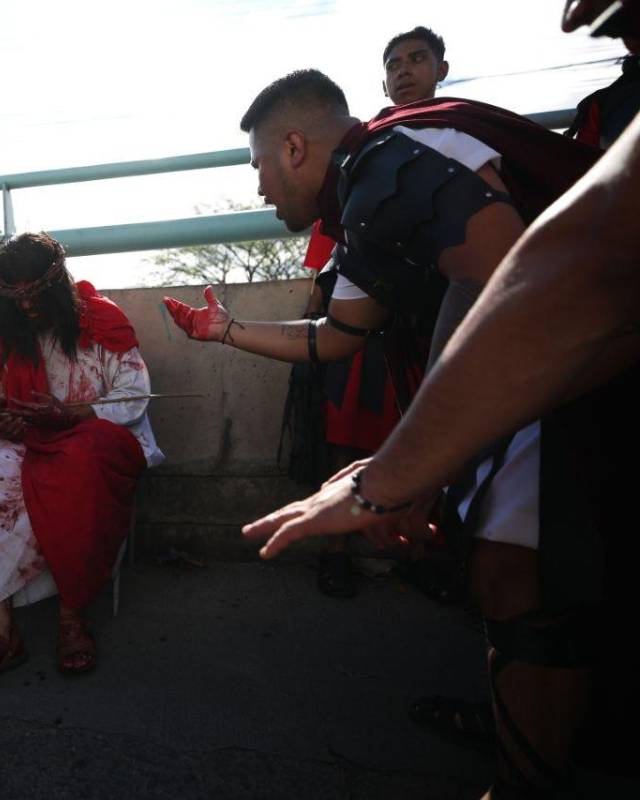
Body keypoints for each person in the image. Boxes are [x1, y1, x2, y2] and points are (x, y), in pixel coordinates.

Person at [164, 69, 603, 797]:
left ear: (295, 147)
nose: (260, 189)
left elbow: (502, 279)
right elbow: (338, 336)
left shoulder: (389, 160)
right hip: (532, 366)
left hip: (563, 360)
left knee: (511, 575)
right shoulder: (365, 196)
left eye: (259, 167)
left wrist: (419, 463)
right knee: (508, 580)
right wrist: (227, 331)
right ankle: (524, 732)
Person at [0, 232, 162, 688]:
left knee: (78, 463)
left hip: (97, 438)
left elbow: (135, 398)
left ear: (56, 284)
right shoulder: (11, 334)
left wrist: (74, 413)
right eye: (15, 298)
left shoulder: (102, 320)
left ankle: (70, 615)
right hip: (34, 440)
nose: (26, 307)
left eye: (35, 294)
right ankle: (1, 631)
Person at [297, 25, 454, 600]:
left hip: (442, 312)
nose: (406, 70)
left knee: (431, 434)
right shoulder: (365, 149)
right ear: (383, 81)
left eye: (418, 59)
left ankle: (430, 548)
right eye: (395, 63)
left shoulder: (464, 130)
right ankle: (334, 551)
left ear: (441, 67)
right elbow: (327, 251)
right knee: (345, 431)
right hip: (367, 312)